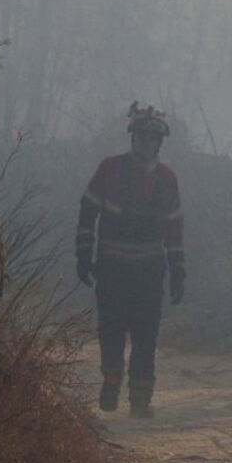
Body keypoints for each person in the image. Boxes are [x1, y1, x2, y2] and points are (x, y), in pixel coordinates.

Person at [76, 102, 185, 418]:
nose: (147, 143)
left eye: (153, 138)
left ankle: (140, 399)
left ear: (160, 142)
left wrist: (178, 271)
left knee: (145, 336)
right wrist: (83, 254)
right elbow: (87, 212)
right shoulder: (109, 169)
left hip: (150, 270)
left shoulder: (167, 179)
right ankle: (110, 381)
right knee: (111, 330)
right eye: (142, 136)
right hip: (111, 268)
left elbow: (174, 227)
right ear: (132, 137)